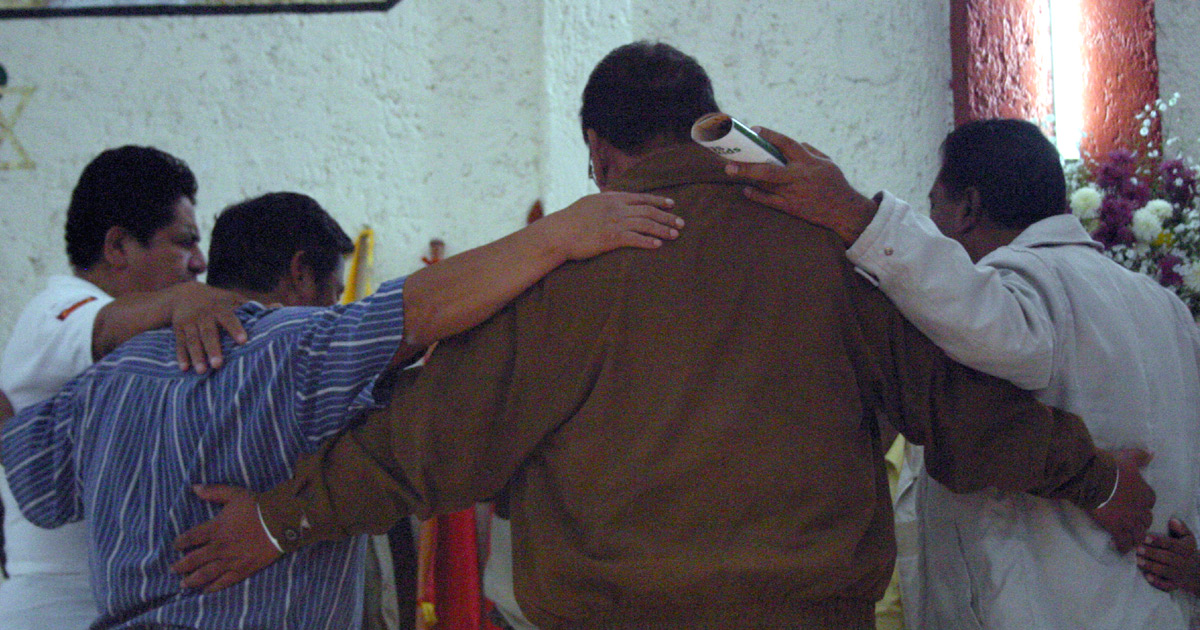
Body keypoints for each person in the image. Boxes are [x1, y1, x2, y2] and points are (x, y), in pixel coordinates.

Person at [169, 43, 1152, 630]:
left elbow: (433, 442)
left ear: (601, 152)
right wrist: (1097, 482)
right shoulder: (826, 249)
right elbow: (963, 410)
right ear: (708, 127)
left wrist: (274, 521)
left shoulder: (571, 269)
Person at [2, 187, 680, 629]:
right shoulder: (297, 349)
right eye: (331, 288)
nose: (334, 302)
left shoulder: (101, 384)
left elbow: (33, 482)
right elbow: (420, 311)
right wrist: (561, 235)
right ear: (300, 273)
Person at [726, 119, 1200, 628]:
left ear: (969, 207)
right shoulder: (1166, 307)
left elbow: (993, 331)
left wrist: (856, 216)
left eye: (935, 205)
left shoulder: (1027, 283)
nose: (934, 224)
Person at [0, 145, 249, 629]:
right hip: (56, 607)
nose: (199, 262)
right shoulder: (56, 311)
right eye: (183, 242)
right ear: (117, 247)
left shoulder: (153, 334)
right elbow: (104, 326)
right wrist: (183, 299)